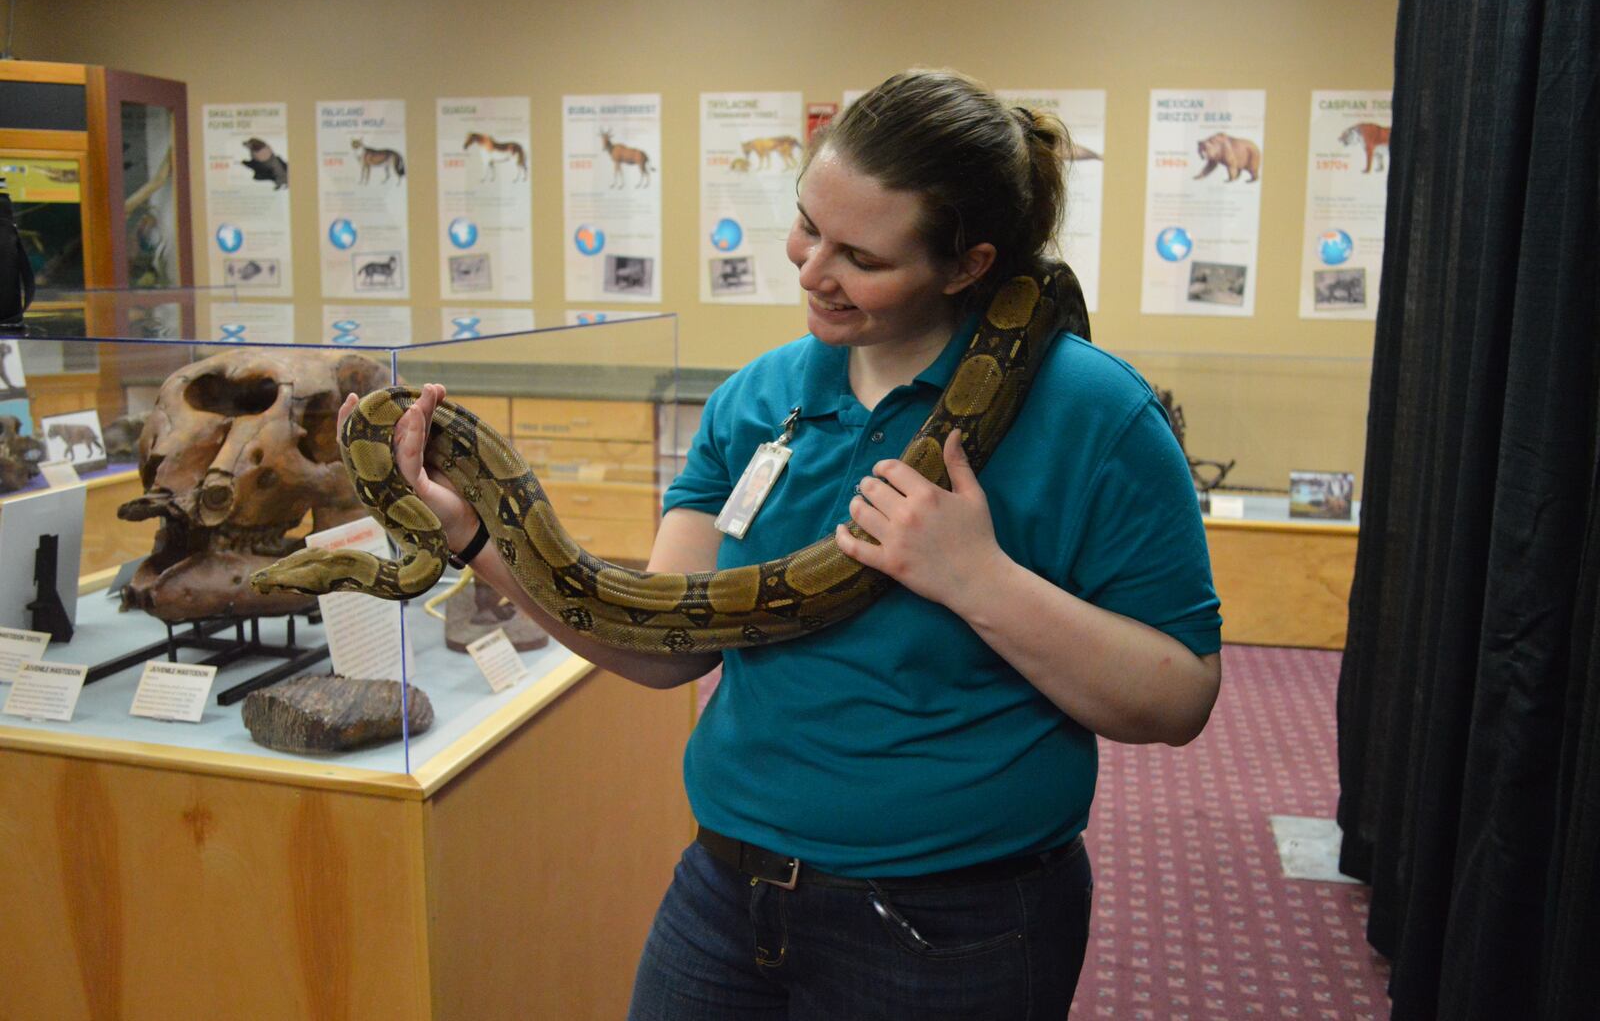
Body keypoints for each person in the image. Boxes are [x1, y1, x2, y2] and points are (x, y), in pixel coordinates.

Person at [350, 69, 1222, 1020]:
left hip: (955, 925)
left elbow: (1177, 696)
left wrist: (977, 579)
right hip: (728, 889)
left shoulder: (1097, 414)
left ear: (968, 265)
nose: (810, 270)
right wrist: (474, 536)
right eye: (808, 226)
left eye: (861, 255)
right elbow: (657, 644)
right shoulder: (758, 399)